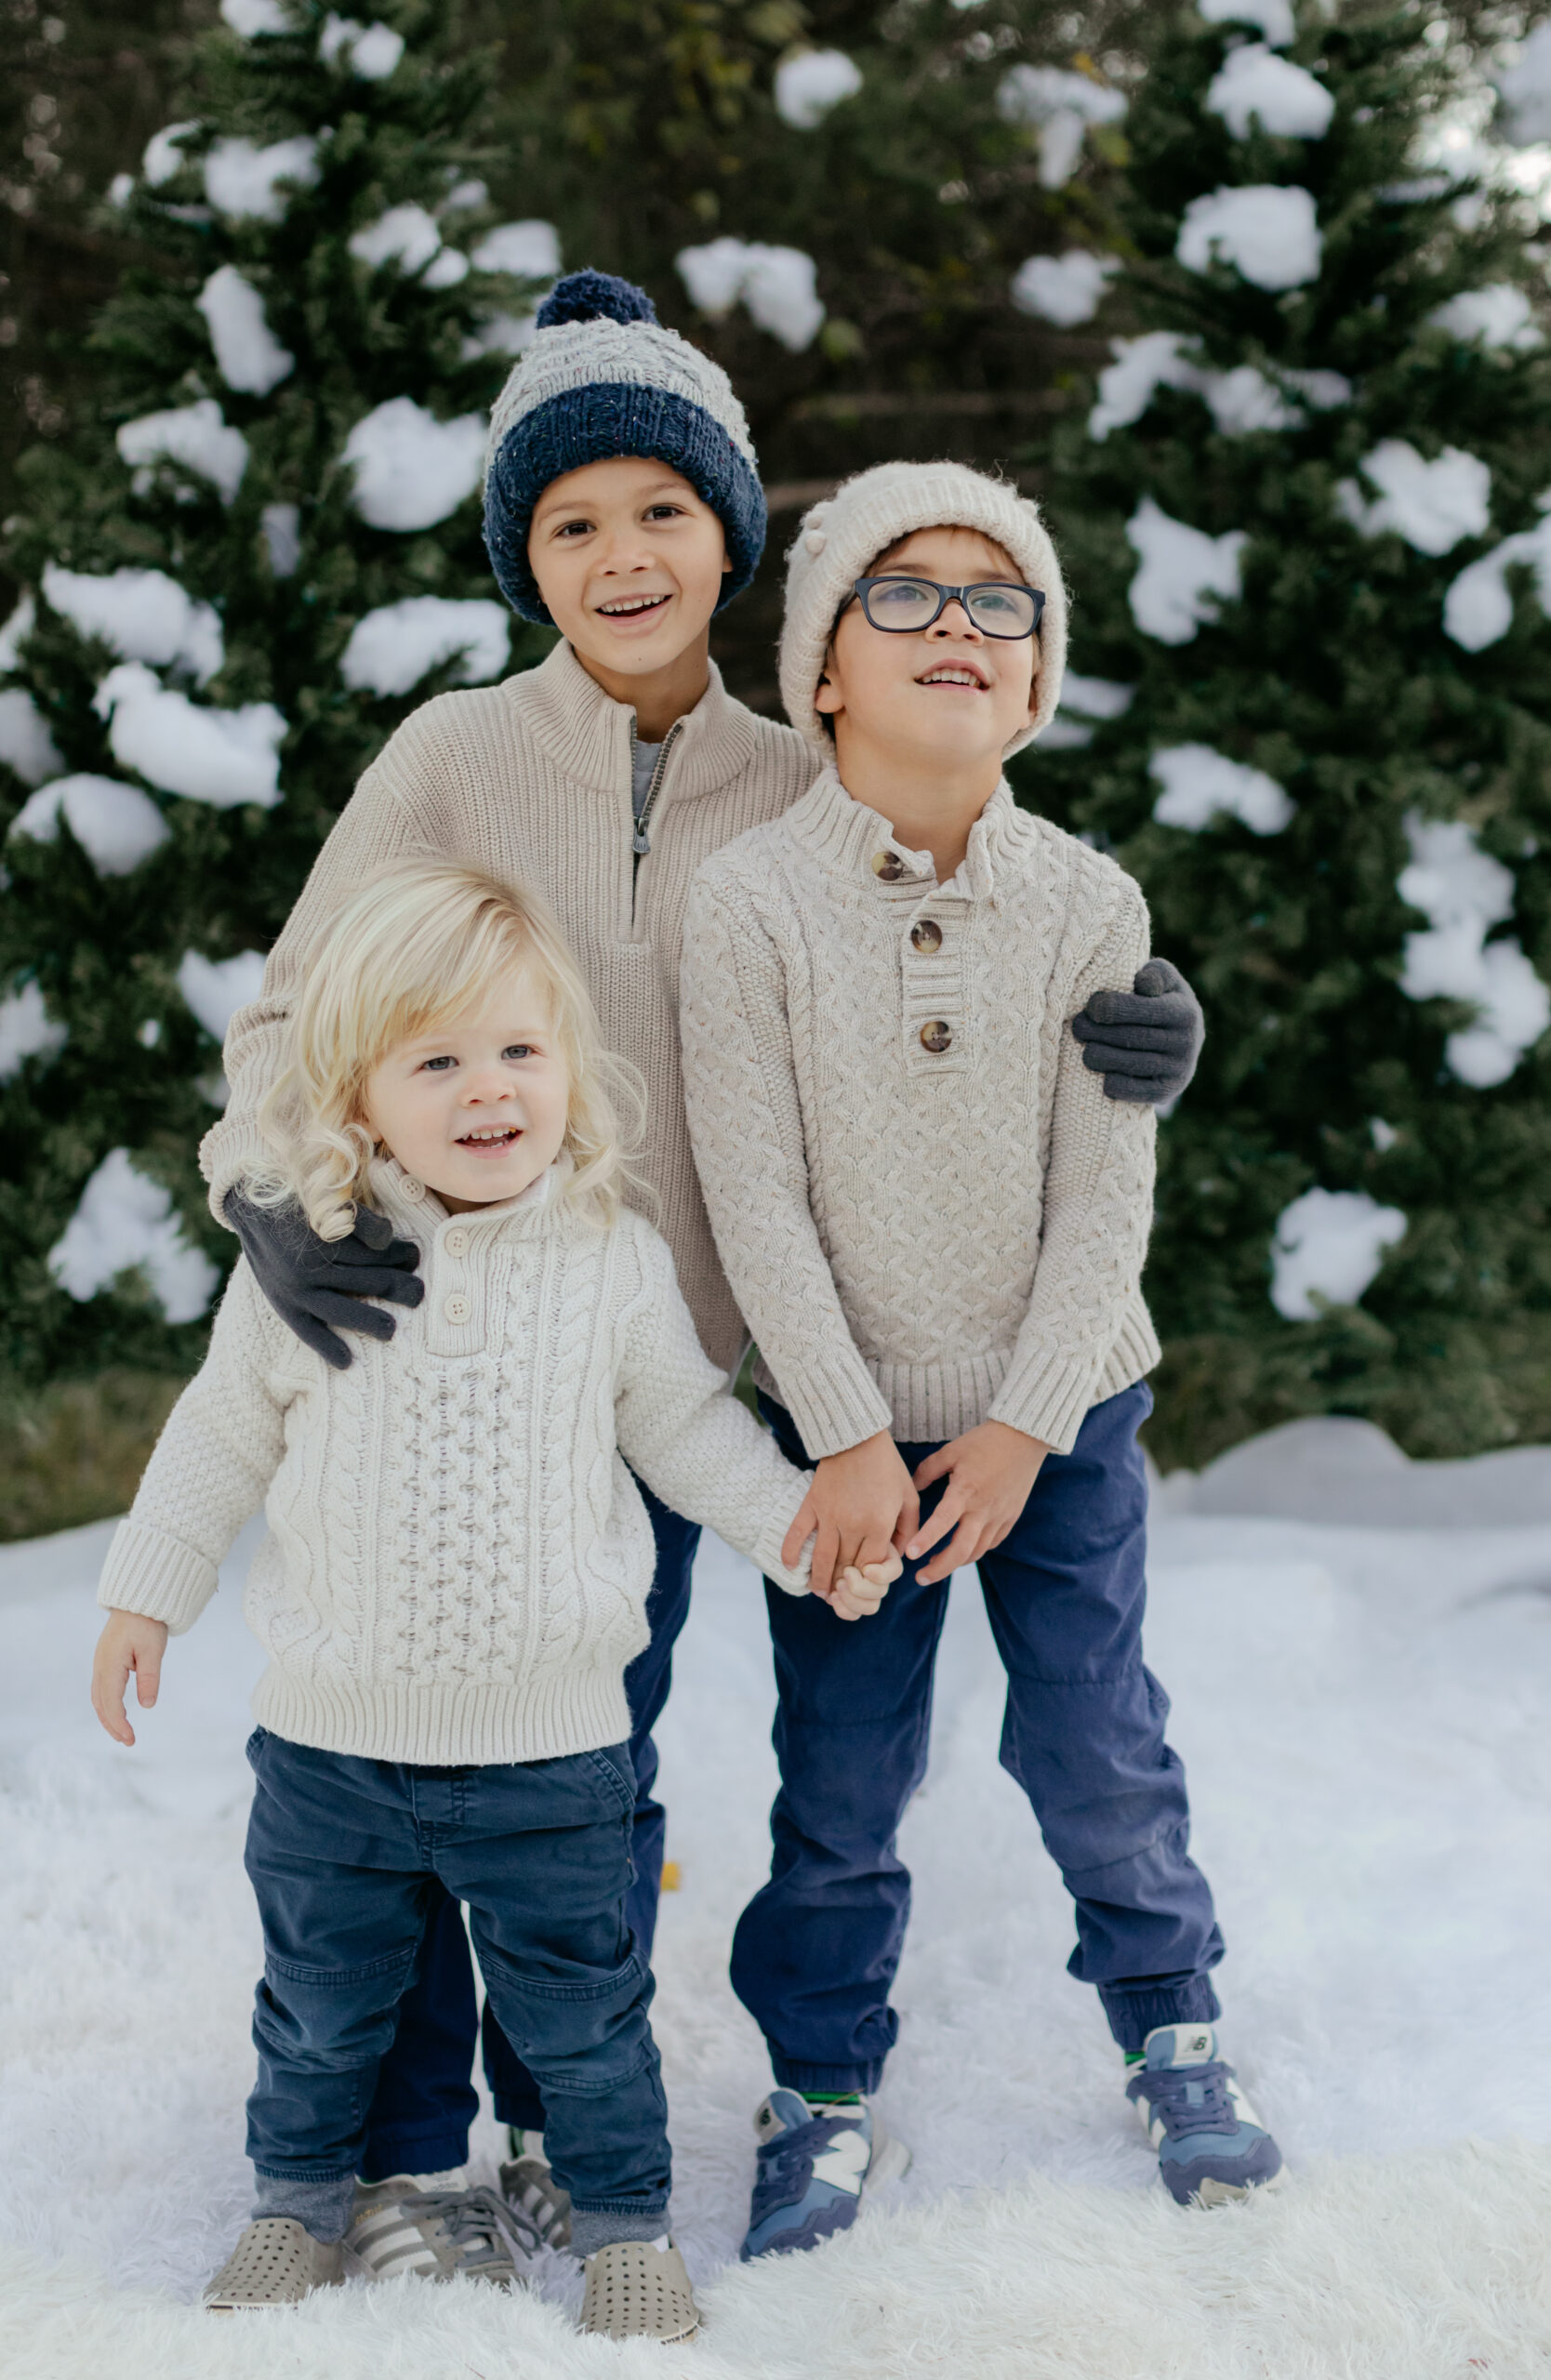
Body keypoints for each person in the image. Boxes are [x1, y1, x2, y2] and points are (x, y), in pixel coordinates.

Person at [197, 268, 1207, 2277]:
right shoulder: (452, 761)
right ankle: (415, 2138)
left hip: (704, 1373)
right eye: (568, 522)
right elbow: (286, 1022)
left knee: (596, 1759)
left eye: (660, 508)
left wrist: (1151, 1015)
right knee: (450, 1749)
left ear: (731, 540)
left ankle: (571, 2107)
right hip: (470, 1361)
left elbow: (970, 885)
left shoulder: (798, 769)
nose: (621, 553)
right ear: (524, 560)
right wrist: (275, 1196)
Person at [89, 861, 893, 2335]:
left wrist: (799, 1530)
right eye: (438, 1059)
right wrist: (146, 1594)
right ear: (358, 1095)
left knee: (584, 2018)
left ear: (570, 1071)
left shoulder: (609, 1260)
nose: (488, 1091)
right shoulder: (311, 1269)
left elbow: (689, 1431)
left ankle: (622, 2226)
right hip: (334, 1749)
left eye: (520, 1052)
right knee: (325, 2006)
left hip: (553, 1754)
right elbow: (216, 1435)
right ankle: (301, 2202)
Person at [679, 461, 1286, 2261]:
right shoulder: (748, 902)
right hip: (838, 1427)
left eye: (996, 600)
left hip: (1063, 1414)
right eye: (905, 594)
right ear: (820, 672)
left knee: (1091, 1733)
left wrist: (1026, 1424)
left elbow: (1112, 1197)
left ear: (1032, 683)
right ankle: (818, 2079)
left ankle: (1170, 2012)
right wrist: (848, 1433)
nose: (957, 623)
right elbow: (751, 1192)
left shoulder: (1087, 901)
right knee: (843, 1767)